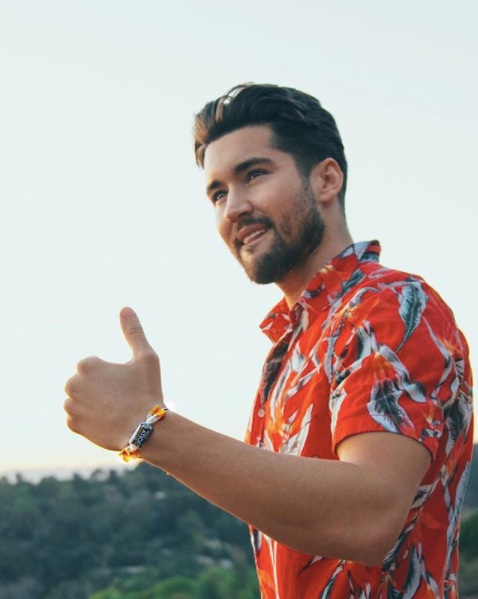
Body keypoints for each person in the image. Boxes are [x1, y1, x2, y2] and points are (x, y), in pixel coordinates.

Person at [64, 83, 473, 598]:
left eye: (254, 174)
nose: (233, 207)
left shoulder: (390, 306)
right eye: (217, 194)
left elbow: (368, 517)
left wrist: (146, 426)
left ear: (326, 179)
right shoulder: (291, 348)